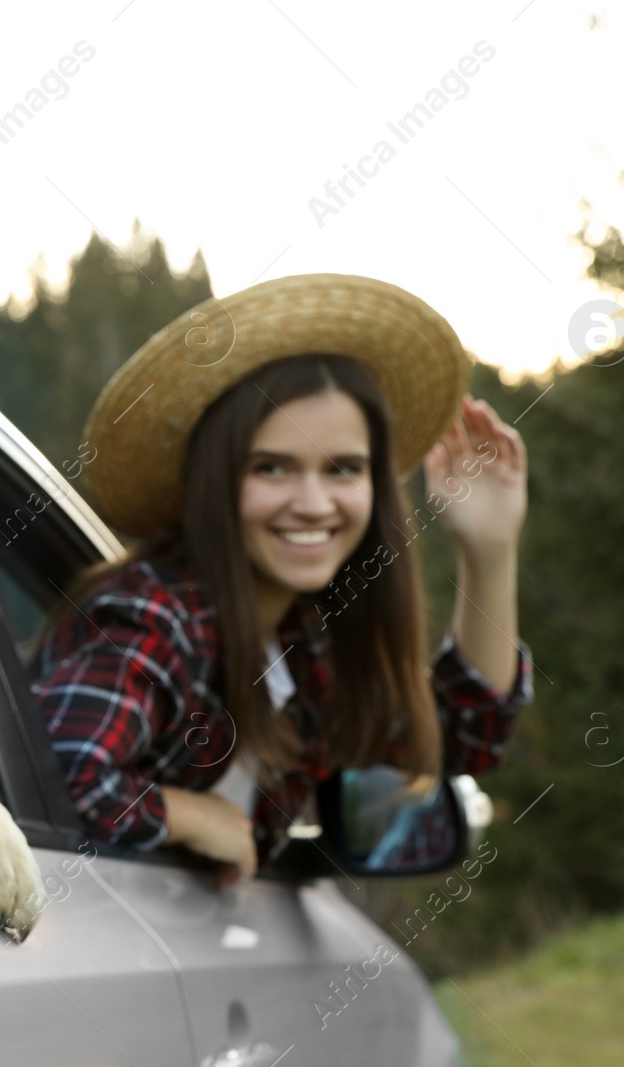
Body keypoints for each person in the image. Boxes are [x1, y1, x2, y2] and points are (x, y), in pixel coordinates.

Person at [32, 273, 533, 884]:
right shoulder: (153, 615)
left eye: (343, 469)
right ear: (217, 481)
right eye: (273, 468)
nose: (314, 503)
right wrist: (194, 816)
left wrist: (490, 550)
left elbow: (459, 740)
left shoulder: (308, 639)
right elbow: (55, 780)